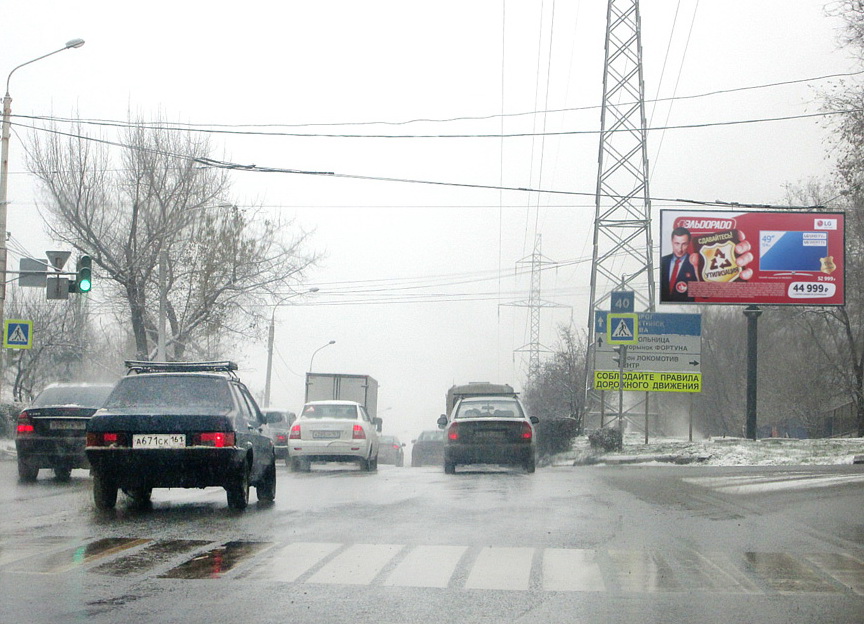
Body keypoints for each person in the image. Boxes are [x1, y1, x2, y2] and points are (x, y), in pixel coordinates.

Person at [660, 227, 698, 301]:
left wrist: (696, 269)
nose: (680, 249)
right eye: (677, 244)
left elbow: (704, 295)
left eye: (684, 244)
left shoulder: (694, 264)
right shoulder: (662, 262)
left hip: (686, 309)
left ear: (689, 243)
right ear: (672, 241)